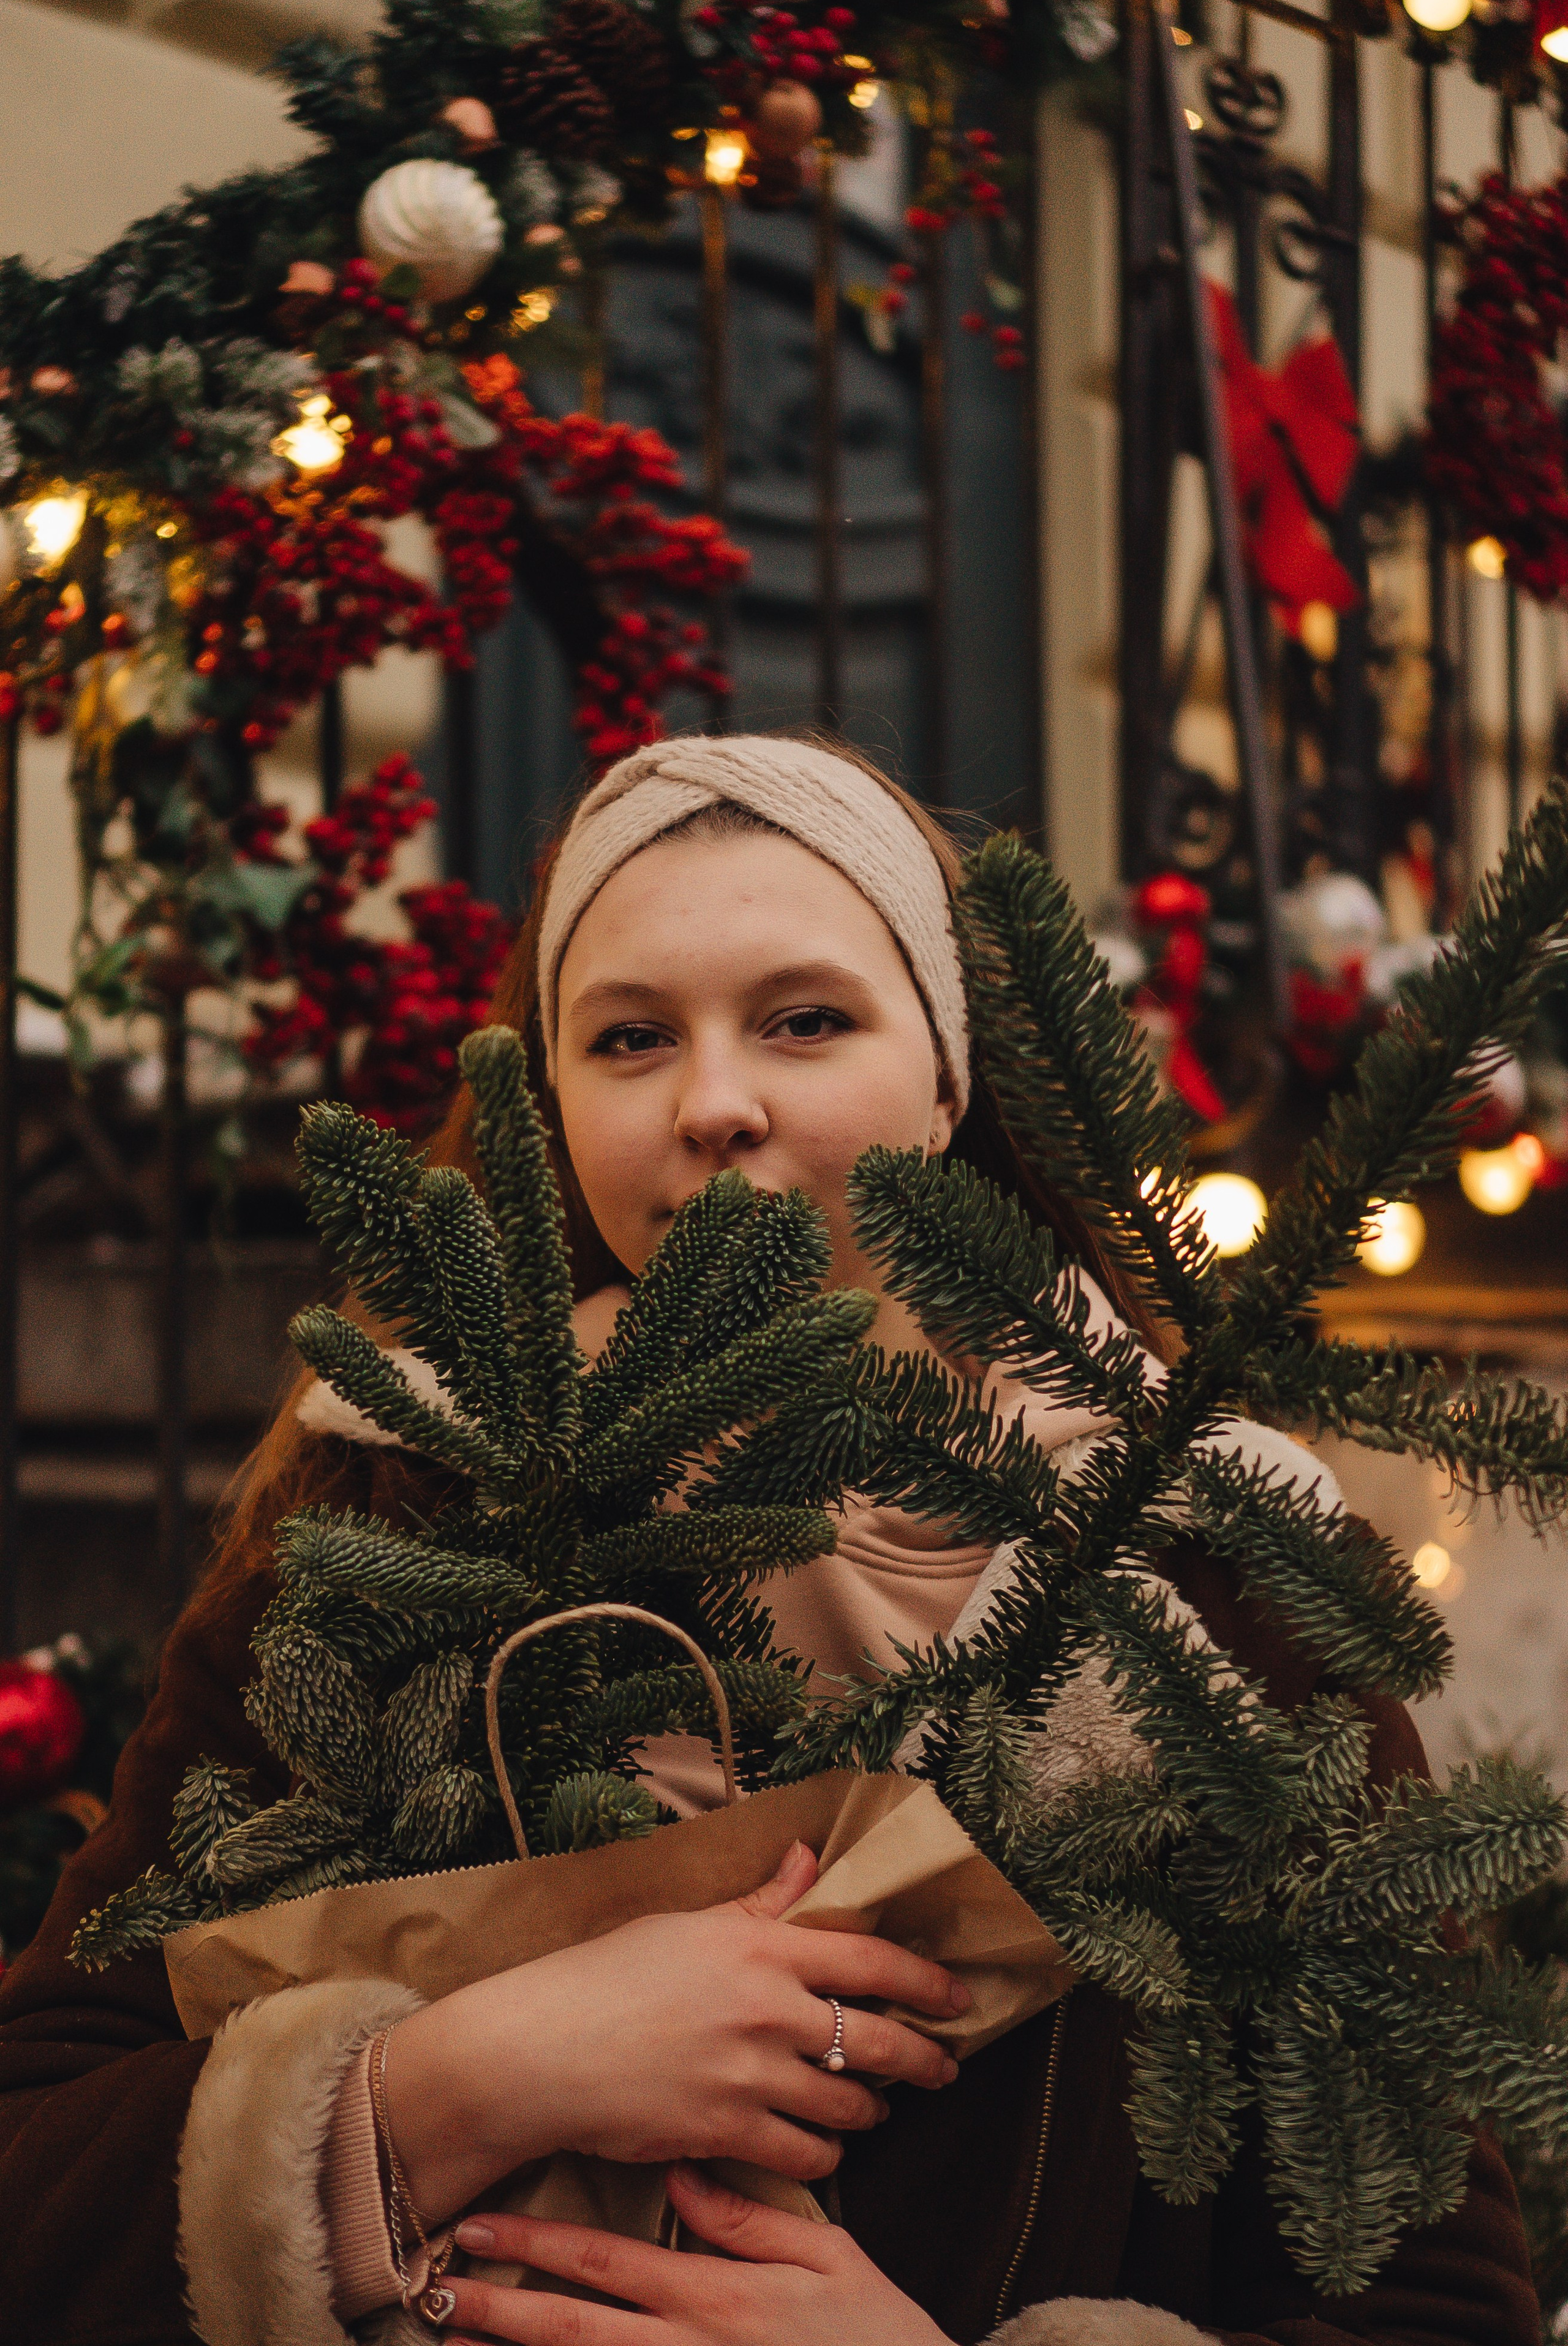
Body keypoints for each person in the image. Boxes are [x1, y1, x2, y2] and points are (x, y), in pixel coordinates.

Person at [0, 735, 1539, 2346]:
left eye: (805, 1021)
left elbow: (1436, 2308)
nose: (715, 1104)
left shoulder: (1212, 1576)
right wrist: (458, 2081)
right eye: (630, 1038)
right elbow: (34, 2175)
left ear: (948, 1081)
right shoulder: (391, 1514)